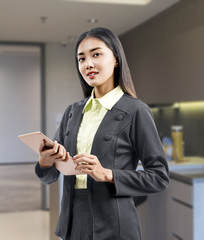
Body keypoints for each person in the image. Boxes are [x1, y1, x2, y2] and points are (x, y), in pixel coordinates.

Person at [35, 27, 169, 240]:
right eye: (81, 59)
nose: (87, 64)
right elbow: (49, 176)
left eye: (96, 54)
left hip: (114, 227)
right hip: (72, 225)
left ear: (116, 59)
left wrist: (108, 174)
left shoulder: (136, 111)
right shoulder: (73, 111)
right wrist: (45, 162)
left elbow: (159, 177)